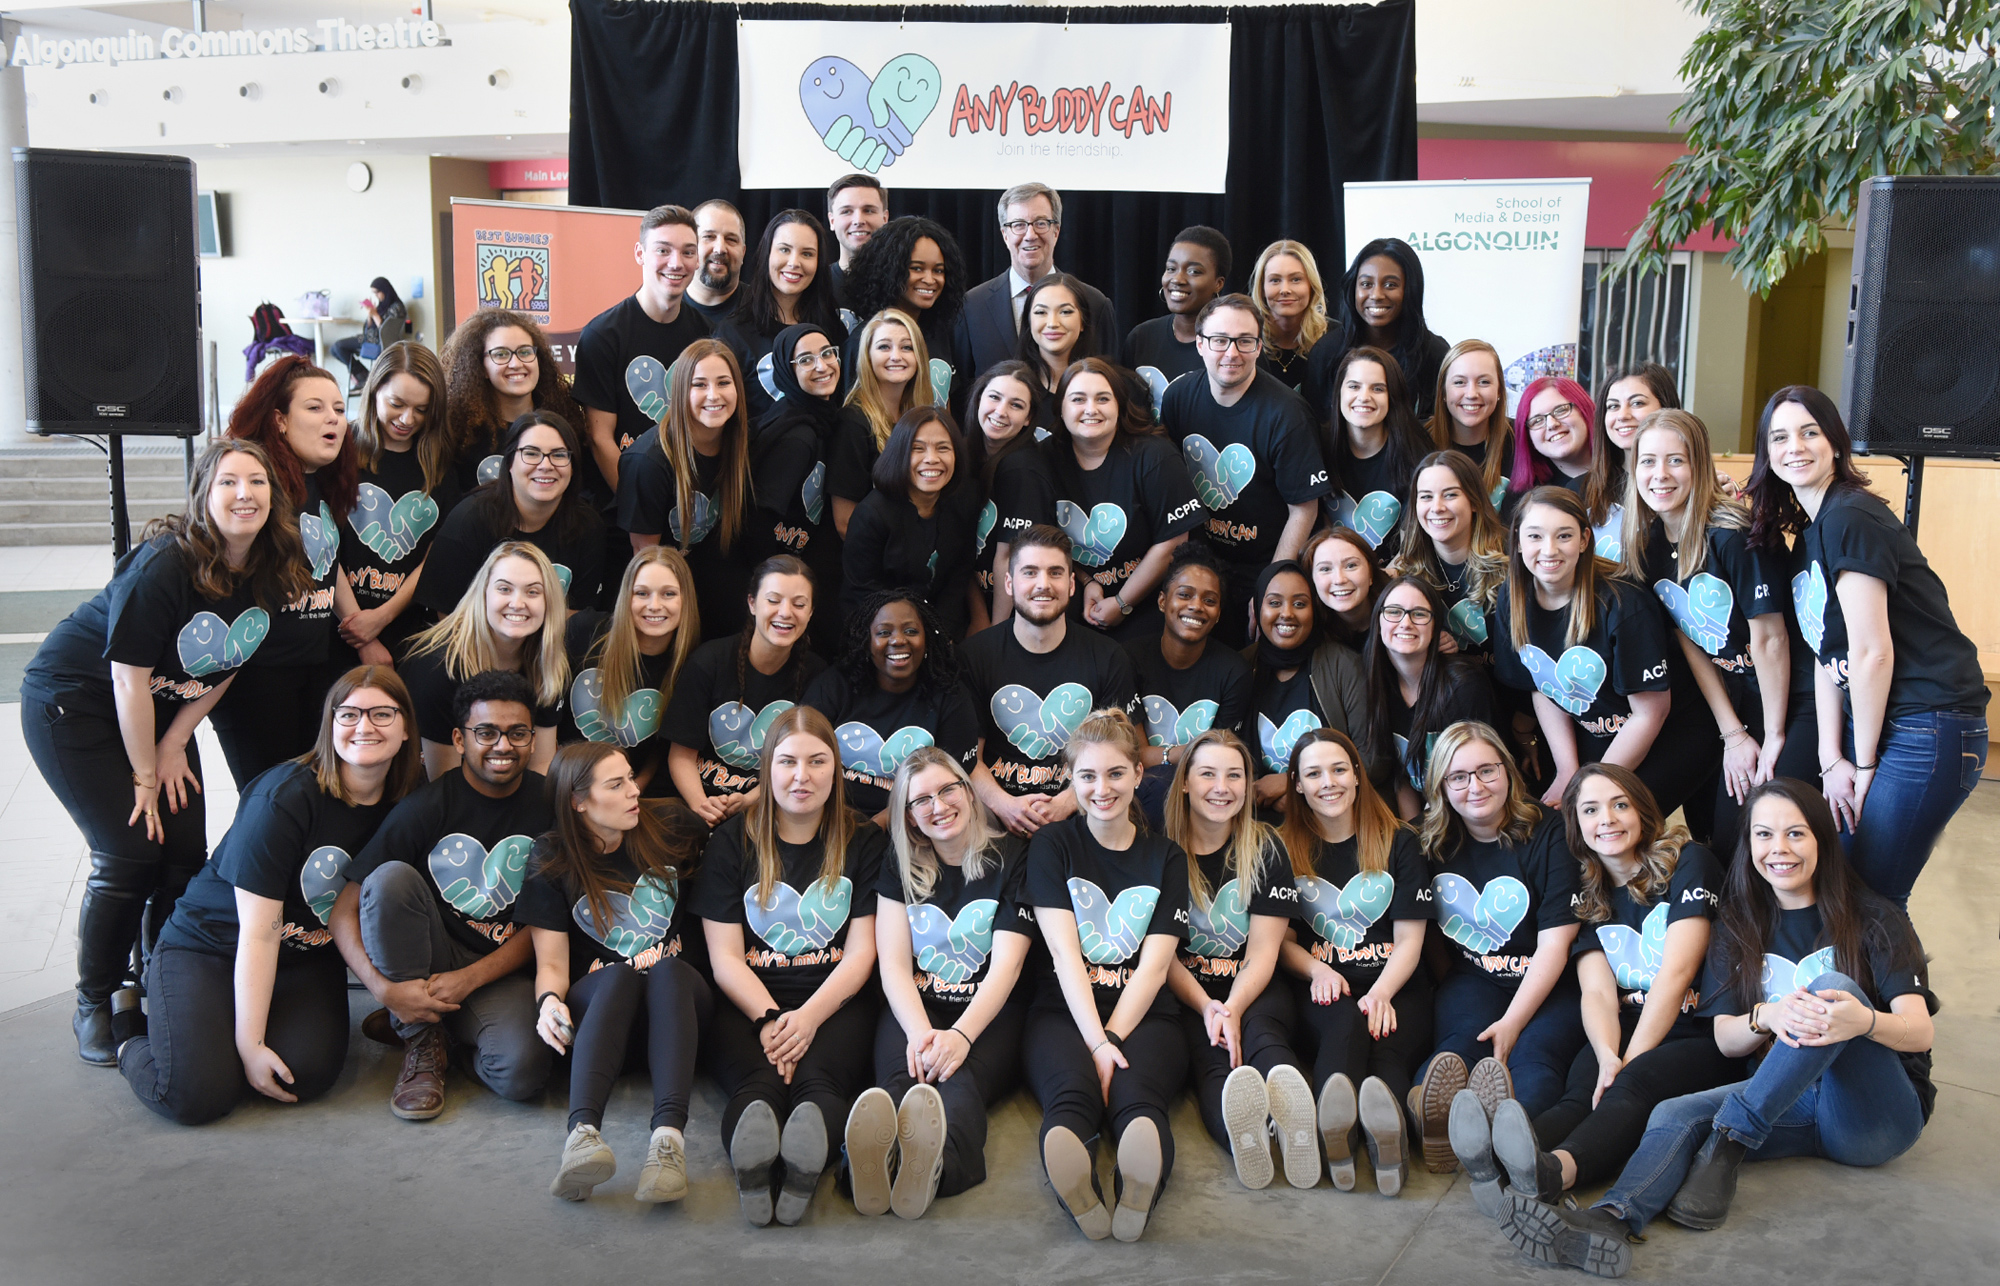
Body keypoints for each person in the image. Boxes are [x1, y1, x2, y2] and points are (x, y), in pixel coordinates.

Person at [1501, 780, 1936, 1277]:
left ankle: (1733, 1134)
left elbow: (1919, 1032)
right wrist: (1764, 1017)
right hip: (1789, 1104)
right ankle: (1611, 1219)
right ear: (1748, 845)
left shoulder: (1874, 917)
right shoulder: (1740, 922)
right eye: (1764, 835)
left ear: (1822, 840)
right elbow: (1727, 1038)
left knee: (1832, 986)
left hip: (1875, 1117)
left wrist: (1864, 1022)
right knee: (1673, 1113)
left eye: (1796, 834)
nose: (1780, 849)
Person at [22, 440, 309, 1065]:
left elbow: (233, 657)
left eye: (257, 482)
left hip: (157, 714)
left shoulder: (270, 566)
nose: (245, 494)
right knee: (128, 851)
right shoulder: (163, 564)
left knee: (183, 851)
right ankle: (95, 1000)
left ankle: (162, 977)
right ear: (203, 494)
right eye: (229, 481)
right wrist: (146, 774)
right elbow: (127, 680)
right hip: (78, 704)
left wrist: (176, 738)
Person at [120, 666, 420, 1123]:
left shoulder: (411, 795)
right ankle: (128, 1031)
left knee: (306, 1075)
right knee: (194, 1096)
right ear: (329, 724)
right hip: (212, 946)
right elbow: (259, 934)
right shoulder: (283, 797)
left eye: (382, 714)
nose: (365, 727)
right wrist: (250, 1043)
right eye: (349, 714)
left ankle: (212, 1035)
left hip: (302, 956)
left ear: (405, 729)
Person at [1449, 764, 1735, 1222]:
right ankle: (1500, 1159)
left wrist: (1630, 1060)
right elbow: (1598, 994)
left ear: (1642, 811)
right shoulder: (1589, 894)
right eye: (1591, 809)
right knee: (1581, 1090)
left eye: (1620, 804)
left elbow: (1677, 972)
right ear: (1577, 826)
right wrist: (1606, 1054)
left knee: (1630, 1088)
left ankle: (1551, 1173)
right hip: (1624, 1024)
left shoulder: (1690, 861)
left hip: (1698, 1030)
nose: (1608, 818)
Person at [1747, 385, 1987, 906]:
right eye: (1780, 437)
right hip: (1885, 722)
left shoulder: (1849, 516)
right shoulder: (1813, 530)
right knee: (1847, 885)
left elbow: (1871, 652)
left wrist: (1863, 764)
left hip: (1928, 722)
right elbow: (1824, 653)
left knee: (1871, 892)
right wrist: (1832, 758)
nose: (1796, 447)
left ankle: (1901, 991)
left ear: (1835, 442)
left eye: (1810, 432)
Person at [331, 670, 558, 1119]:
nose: (502, 746)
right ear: (459, 739)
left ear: (532, 740)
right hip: (430, 957)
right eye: (486, 732)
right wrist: (384, 990)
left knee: (523, 1075)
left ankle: (447, 1035)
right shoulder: (427, 806)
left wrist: (470, 979)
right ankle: (420, 1041)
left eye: (517, 733)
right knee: (390, 879)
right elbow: (345, 910)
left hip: (502, 971)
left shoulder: (551, 804)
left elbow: (548, 923)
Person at [691, 706, 886, 1227]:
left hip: (837, 1000)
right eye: (788, 762)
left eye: (817, 761)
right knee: (759, 1086)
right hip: (749, 1002)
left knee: (819, 1083)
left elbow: (863, 953)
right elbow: (725, 959)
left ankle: (803, 1170)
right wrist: (773, 1018)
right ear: (767, 769)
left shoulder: (863, 838)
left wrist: (808, 1018)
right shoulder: (733, 841)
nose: (802, 776)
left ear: (836, 769)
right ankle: (753, 1170)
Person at [518, 744, 713, 1202]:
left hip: (679, 1014)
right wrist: (548, 1003)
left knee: (668, 970)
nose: (633, 792)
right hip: (607, 1020)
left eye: (630, 778)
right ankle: (581, 1139)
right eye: (616, 784)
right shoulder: (551, 856)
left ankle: (668, 1145)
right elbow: (550, 963)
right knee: (618, 977)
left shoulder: (672, 826)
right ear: (577, 801)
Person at [1024, 708, 1190, 1241]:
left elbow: (1155, 965)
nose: (1102, 789)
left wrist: (1113, 1037)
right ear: (1071, 782)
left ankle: (1138, 1183)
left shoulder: (1166, 856)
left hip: (1147, 1015)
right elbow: (1064, 956)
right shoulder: (1053, 845)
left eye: (1116, 773)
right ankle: (1078, 1186)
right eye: (1087, 776)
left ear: (1139, 774)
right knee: (1070, 1092)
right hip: (1062, 1012)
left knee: (1138, 1096)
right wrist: (1096, 1041)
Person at [854, 747, 1033, 1217]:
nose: (938, 806)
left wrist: (960, 1036)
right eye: (922, 801)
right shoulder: (898, 862)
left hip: (992, 1013)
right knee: (899, 1077)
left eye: (947, 789)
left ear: (968, 792)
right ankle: (869, 1167)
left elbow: (1007, 968)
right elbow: (892, 964)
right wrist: (919, 1032)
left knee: (960, 1078)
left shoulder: (1014, 858)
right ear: (909, 818)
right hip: (918, 1006)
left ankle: (939, 1168)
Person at [1625, 409, 1799, 845]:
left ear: (1699, 466)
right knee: (1708, 831)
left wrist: (1768, 737)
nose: (1659, 475)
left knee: (1739, 834)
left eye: (1675, 460)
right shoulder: (1649, 545)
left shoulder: (1732, 536)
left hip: (1786, 698)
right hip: (1731, 700)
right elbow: (1691, 638)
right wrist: (1732, 733)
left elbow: (1771, 640)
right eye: (1647, 461)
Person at [1413, 721, 1582, 1166]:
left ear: (1508, 771)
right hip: (1476, 978)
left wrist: (1511, 1022)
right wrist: (1452, 982)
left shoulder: (1551, 835)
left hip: (1554, 982)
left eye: (1487, 771)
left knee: (1534, 1059)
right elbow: (1424, 928)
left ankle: (1507, 1136)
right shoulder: (1427, 841)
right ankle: (1429, 1119)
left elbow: (1555, 947)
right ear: (1441, 787)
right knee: (1454, 1049)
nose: (1476, 786)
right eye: (1459, 777)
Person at [1275, 727, 1434, 1194]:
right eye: (1314, 773)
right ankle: (1336, 1139)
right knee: (1345, 1026)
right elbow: (1277, 941)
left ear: (1358, 776)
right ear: (1298, 785)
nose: (1329, 781)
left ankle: (1389, 1149)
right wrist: (1316, 968)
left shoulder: (1399, 842)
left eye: (1339, 769)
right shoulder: (1282, 847)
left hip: (1398, 984)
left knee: (1385, 1050)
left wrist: (1382, 991)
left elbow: (1409, 939)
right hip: (1325, 986)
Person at [1493, 486, 1712, 818]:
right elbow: (1543, 685)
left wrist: (1592, 787)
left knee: (1605, 818)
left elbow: (1650, 713)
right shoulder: (1513, 597)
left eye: (1563, 536)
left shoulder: (1623, 603)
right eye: (1535, 536)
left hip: (1669, 731)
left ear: (1583, 540)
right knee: (1551, 816)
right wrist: (1568, 771)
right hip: (1596, 727)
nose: (1549, 550)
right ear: (1518, 542)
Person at [1161, 730, 1314, 1191]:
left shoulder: (1266, 848)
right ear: (1185, 782)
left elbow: (1264, 953)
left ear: (1249, 786)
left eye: (1234, 775)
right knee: (1213, 1061)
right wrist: (1208, 1007)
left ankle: (1297, 1128)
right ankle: (1250, 1140)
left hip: (1252, 985)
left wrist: (1232, 1008)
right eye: (1207, 774)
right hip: (1185, 990)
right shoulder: (1159, 849)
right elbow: (1159, 955)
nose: (1221, 787)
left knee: (1262, 1039)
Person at [215, 356, 361, 784]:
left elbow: (324, 562)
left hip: (313, 665)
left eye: (338, 408)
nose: (332, 418)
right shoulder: (257, 485)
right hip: (258, 677)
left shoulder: (317, 480)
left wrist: (358, 627)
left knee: (310, 796)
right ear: (279, 420)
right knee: (270, 803)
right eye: (315, 408)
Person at [1159, 293, 1328, 645]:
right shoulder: (1178, 397)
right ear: (1201, 344)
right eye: (1220, 340)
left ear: (1259, 345)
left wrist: (1272, 585)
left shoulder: (1287, 414)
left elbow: (1304, 509)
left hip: (1261, 562)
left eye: (1245, 341)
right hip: (1199, 559)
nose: (1232, 353)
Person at [960, 526, 1139, 836]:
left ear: (1071, 585)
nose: (1043, 584)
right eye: (1030, 572)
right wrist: (1005, 805)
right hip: (992, 817)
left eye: (1055, 573)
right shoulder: (974, 656)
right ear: (1009, 582)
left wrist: (1067, 803)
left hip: (1083, 811)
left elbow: (1122, 752)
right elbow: (965, 756)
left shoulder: (1108, 657)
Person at [1045, 356, 1204, 641]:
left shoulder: (1155, 456)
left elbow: (1173, 542)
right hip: (1076, 592)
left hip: (1149, 600)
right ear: (1061, 409)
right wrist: (1088, 580)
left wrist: (1122, 603)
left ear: (1119, 405)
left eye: (1103, 399)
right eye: (1078, 399)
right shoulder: (1044, 459)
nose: (1091, 409)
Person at [663, 555, 826, 826]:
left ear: (810, 613)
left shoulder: (817, 675)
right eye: (773, 601)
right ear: (752, 603)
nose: (785, 612)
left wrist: (749, 800)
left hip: (769, 804)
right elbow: (681, 755)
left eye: (799, 604)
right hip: (696, 799)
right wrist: (702, 806)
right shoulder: (709, 661)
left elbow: (806, 766)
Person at [617, 338, 761, 640]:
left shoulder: (739, 443)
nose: (714, 395)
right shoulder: (648, 463)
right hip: (656, 588)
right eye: (699, 385)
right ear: (681, 392)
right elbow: (645, 565)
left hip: (702, 572)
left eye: (724, 383)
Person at [571, 204, 710, 507]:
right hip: (620, 510)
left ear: (697, 259)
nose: (676, 263)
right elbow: (599, 439)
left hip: (686, 506)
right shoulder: (602, 336)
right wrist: (640, 509)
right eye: (663, 250)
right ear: (640, 254)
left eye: (688, 252)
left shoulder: (705, 333)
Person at [804, 591, 981, 828]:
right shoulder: (835, 686)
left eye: (910, 631)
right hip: (832, 820)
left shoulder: (950, 696)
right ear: (867, 641)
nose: (898, 640)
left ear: (926, 638)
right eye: (884, 632)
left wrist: (877, 827)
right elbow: (803, 759)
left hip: (916, 826)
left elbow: (949, 785)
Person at [400, 542, 568, 777]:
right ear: (483, 594)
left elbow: (540, 766)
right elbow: (443, 782)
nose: (518, 604)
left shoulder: (548, 660)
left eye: (532, 592)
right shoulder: (438, 665)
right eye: (504, 589)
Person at [338, 341, 460, 664]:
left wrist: (381, 617)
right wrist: (363, 635)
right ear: (374, 389)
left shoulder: (441, 465)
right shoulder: (340, 451)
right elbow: (324, 548)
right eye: (397, 403)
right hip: (340, 627)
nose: (407, 419)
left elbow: (435, 557)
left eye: (421, 410)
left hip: (409, 630)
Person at [417, 410, 607, 614]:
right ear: (508, 462)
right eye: (531, 453)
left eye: (559, 455)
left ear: (573, 465)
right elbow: (447, 617)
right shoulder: (468, 520)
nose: (545, 465)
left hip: (552, 644)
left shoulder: (588, 525)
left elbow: (579, 617)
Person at [1124, 541, 1253, 822]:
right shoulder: (1127, 659)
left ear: (1218, 613)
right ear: (1162, 601)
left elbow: (1221, 760)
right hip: (1136, 793)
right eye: (1185, 595)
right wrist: (1186, 753)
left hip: (1205, 795)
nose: (1196, 606)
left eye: (1209, 600)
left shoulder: (1233, 671)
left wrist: (1159, 755)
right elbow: (1131, 756)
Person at [560, 544, 698, 795]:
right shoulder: (585, 632)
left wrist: (631, 791)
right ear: (626, 596)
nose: (654, 605)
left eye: (668, 594)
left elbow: (660, 753)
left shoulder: (691, 666)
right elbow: (546, 714)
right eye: (642, 593)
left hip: (629, 793)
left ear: (686, 599)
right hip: (564, 781)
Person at [842, 405, 986, 638]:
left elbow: (959, 575)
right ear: (899, 453)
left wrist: (939, 635)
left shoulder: (964, 501)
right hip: (882, 633)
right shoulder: (871, 514)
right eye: (918, 449)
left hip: (943, 627)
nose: (932, 459)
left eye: (943, 448)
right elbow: (863, 593)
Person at [1245, 559, 1380, 805]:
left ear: (1314, 609)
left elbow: (1371, 760)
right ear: (1258, 609)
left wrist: (1292, 787)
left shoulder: (1345, 666)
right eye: (1274, 603)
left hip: (1333, 811)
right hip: (1256, 819)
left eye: (1299, 604)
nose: (1286, 613)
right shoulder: (1243, 667)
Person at [1363, 576, 1497, 819]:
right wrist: (1413, 835)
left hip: (1474, 813)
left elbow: (1478, 781)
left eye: (1419, 614)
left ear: (1436, 627)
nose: (1405, 623)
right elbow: (1401, 776)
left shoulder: (1463, 686)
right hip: (1426, 817)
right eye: (1394, 612)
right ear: (1378, 621)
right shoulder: (1378, 685)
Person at [958, 182, 1114, 380]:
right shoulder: (972, 306)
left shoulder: (1094, 304)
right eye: (1018, 225)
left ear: (1056, 231)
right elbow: (962, 391)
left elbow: (1108, 383)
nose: (1030, 235)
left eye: (1041, 223)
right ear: (1005, 235)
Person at [756, 323, 847, 653]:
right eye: (806, 360)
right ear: (785, 370)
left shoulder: (816, 416)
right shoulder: (798, 437)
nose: (822, 366)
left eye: (827, 354)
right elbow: (760, 523)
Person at [713, 209, 846, 425]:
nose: (794, 262)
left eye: (807, 254)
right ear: (767, 254)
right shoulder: (733, 333)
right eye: (784, 250)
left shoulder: (832, 329)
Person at [441, 309, 586, 495]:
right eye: (501, 354)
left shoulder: (566, 421)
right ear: (481, 367)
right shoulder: (460, 431)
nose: (516, 363)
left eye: (525, 352)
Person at [1304, 237, 1448, 424]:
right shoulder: (1326, 352)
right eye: (1366, 284)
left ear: (1410, 289)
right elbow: (1311, 427)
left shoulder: (1434, 354)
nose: (1377, 295)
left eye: (1390, 285)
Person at [1388, 449, 1509, 657]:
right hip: (1453, 684)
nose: (1437, 507)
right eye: (1426, 497)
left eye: (1450, 495)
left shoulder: (1511, 556)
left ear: (1474, 501)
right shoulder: (1407, 566)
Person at [964, 360, 1058, 626]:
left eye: (1016, 405)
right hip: (975, 600)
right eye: (994, 397)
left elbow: (1010, 559)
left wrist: (995, 632)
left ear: (1028, 418)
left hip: (1016, 613)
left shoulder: (1022, 470)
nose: (1001, 411)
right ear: (979, 398)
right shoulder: (964, 454)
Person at [828, 309, 938, 536]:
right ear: (867, 356)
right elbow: (844, 522)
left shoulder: (919, 416)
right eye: (884, 347)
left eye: (907, 347)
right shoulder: (853, 422)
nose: (896, 356)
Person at [1322, 345, 1433, 560]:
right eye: (1354, 386)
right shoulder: (1318, 447)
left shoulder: (1415, 454)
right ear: (1339, 392)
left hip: (1396, 580)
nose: (1364, 397)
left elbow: (1413, 546)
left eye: (1378, 389)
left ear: (1393, 397)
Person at [841, 216, 967, 405]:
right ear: (890, 271)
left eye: (939, 270)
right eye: (917, 268)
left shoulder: (938, 332)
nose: (930, 279)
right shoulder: (866, 339)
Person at [1505, 376, 1623, 558]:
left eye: (1561, 410)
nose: (1552, 424)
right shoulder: (1527, 500)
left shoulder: (1629, 470)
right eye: (1537, 421)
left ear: (1584, 410)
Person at [1123, 226, 1232, 386]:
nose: (1177, 279)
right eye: (1171, 269)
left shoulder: (1235, 344)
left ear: (1218, 283)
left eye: (1194, 271)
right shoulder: (1141, 338)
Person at [1015, 273, 1109, 425]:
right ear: (1028, 322)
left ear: (1083, 321)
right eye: (1041, 312)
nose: (1052, 323)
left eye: (1065, 312)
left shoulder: (1109, 386)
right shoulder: (1014, 389)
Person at [1427, 340, 1513, 503]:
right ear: (1443, 391)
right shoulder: (1416, 440)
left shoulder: (1521, 440)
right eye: (1459, 382)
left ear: (1499, 390)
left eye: (1484, 382)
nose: (1472, 393)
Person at [1595, 362, 1682, 515]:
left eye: (1637, 403)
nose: (1622, 415)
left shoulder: (1688, 483)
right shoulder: (1582, 489)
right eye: (1613, 406)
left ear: (1666, 407)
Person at [1250, 240, 1329, 391]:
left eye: (1296, 279)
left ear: (1311, 285)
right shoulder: (1246, 339)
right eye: (1275, 280)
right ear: (1262, 288)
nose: (1285, 289)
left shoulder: (1335, 338)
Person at [1305, 525, 1383, 650]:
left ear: (1371, 573)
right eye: (1325, 569)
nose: (1339, 580)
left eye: (1351, 565)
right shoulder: (1310, 634)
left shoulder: (1399, 616)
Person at [330, 276, 408, 391]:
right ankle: (363, 375)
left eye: (377, 292)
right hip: (368, 337)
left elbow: (385, 331)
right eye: (374, 293)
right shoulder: (381, 306)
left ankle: (363, 377)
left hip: (379, 341)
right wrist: (370, 314)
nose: (376, 295)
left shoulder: (397, 307)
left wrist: (375, 314)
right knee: (334, 349)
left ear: (385, 290)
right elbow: (368, 328)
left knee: (339, 346)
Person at [684, 198, 749, 327]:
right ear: (689, 247)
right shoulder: (664, 309)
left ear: (743, 252)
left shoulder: (765, 311)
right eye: (709, 237)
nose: (720, 249)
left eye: (731, 239)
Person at [826, 174, 889, 301]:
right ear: (832, 221)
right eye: (846, 211)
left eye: (868, 210)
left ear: (885, 218)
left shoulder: (903, 284)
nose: (858, 220)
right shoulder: (816, 284)